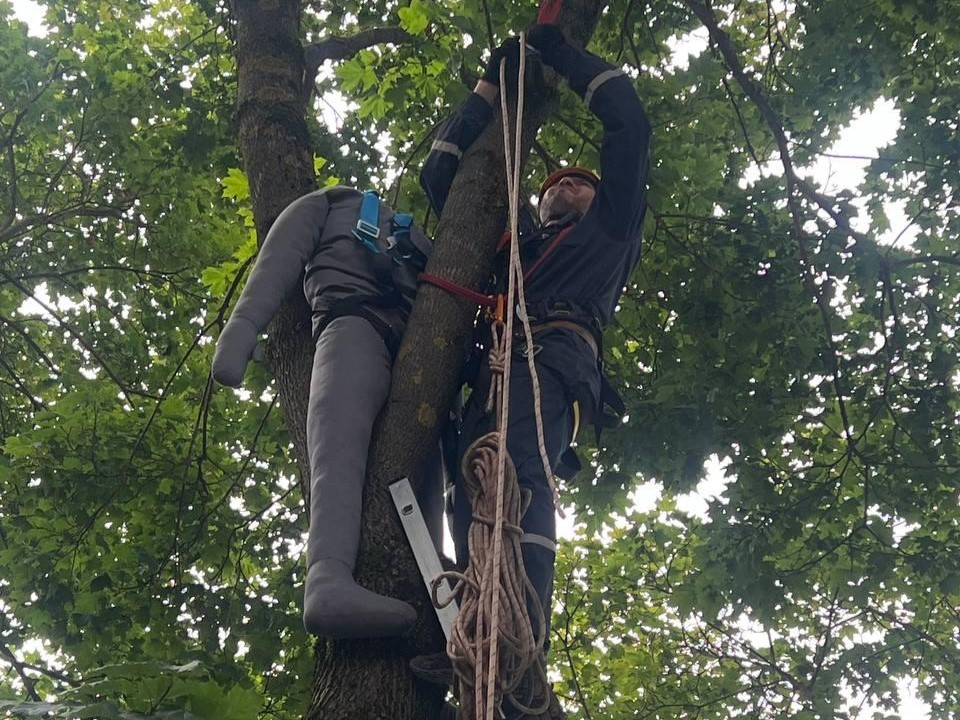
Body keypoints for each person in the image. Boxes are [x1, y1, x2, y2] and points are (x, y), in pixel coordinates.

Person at [412, 23, 652, 697]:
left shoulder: (611, 232)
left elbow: (628, 123)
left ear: (601, 198)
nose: (562, 185)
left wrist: (559, 54)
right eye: (552, 184)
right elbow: (442, 178)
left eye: (578, 181)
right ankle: (474, 637)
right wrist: (490, 87)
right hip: (493, 365)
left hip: (552, 360)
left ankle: (518, 647)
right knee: (471, 488)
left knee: (518, 476)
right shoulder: (515, 250)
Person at [211, 186, 442, 639]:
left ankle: (437, 597)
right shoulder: (330, 203)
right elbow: (277, 262)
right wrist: (240, 330)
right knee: (338, 448)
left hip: (423, 362)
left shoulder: (423, 238)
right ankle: (327, 579)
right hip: (353, 324)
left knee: (432, 481)